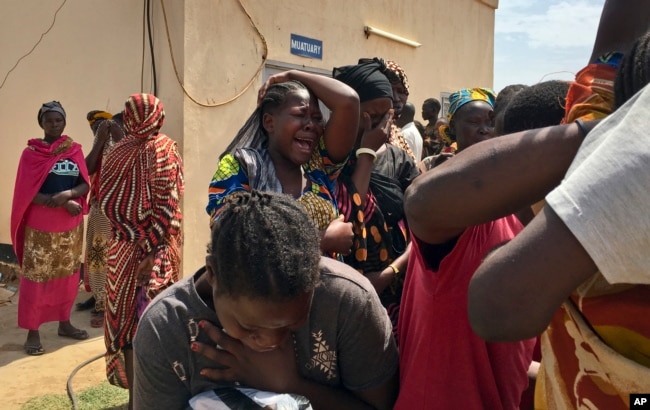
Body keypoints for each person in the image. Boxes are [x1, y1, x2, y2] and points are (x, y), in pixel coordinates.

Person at [133, 190, 399, 410]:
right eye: (249, 327)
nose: (272, 341)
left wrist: (289, 383)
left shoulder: (347, 302)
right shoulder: (166, 328)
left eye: (293, 323)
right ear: (213, 274)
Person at [395, 87, 535, 409]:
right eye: (475, 122)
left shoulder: (511, 202)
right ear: (452, 129)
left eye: (491, 122)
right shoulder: (448, 196)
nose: (486, 129)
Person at [206, 70, 359, 258]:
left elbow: (349, 102)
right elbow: (230, 243)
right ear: (269, 122)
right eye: (300, 114)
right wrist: (320, 240)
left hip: (326, 286)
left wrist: (293, 75)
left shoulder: (319, 166)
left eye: (317, 118)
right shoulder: (241, 167)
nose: (311, 124)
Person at [99, 93, 184, 407]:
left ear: (128, 116)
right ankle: (153, 396)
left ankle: (136, 398)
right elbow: (167, 205)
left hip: (121, 252)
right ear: (159, 117)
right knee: (154, 321)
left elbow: (106, 202)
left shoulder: (117, 152)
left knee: (127, 324)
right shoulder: (165, 150)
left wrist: (132, 237)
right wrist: (148, 249)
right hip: (156, 254)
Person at [333, 60, 420, 333]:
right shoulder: (328, 159)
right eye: (369, 114)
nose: (379, 124)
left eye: (386, 114)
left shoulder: (399, 160)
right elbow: (352, 216)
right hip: (343, 290)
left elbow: (422, 225)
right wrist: (367, 153)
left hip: (396, 286)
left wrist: (389, 273)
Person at [11, 101, 90, 356]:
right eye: (49, 121)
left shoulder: (74, 150)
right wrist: (59, 202)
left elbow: (84, 185)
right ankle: (32, 331)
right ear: (41, 123)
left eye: (58, 120)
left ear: (65, 122)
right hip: (41, 225)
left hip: (70, 225)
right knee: (37, 277)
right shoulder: (31, 154)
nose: (54, 125)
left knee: (67, 276)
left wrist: (68, 195)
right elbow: (25, 190)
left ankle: (64, 323)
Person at [83, 110, 125, 328]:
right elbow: (86, 169)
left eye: (100, 125)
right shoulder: (100, 144)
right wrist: (98, 141)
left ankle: (107, 307)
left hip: (115, 210)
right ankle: (100, 300)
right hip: (99, 206)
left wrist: (111, 136)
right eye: (94, 127)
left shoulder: (121, 142)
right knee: (95, 255)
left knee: (109, 258)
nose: (97, 130)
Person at [420, 88, 496, 172]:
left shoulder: (502, 167)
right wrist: (437, 174)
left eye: (490, 123)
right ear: (453, 126)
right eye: (474, 122)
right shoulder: (430, 165)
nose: (484, 130)